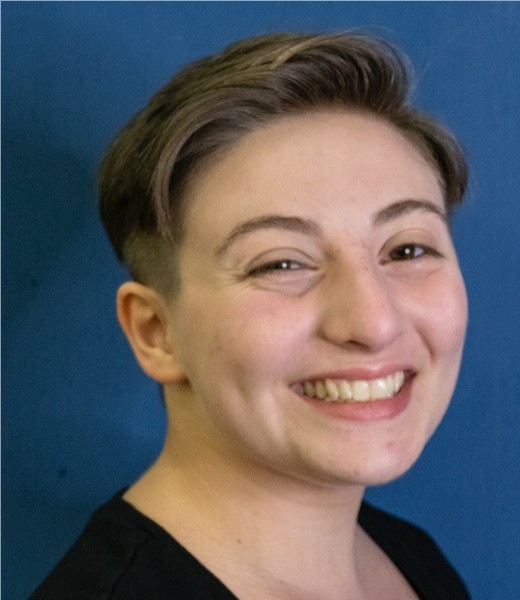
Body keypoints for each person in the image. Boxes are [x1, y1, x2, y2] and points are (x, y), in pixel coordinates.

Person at [31, 32, 470, 599]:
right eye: (282, 263)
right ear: (155, 332)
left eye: (407, 250)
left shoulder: (406, 555)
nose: (374, 323)